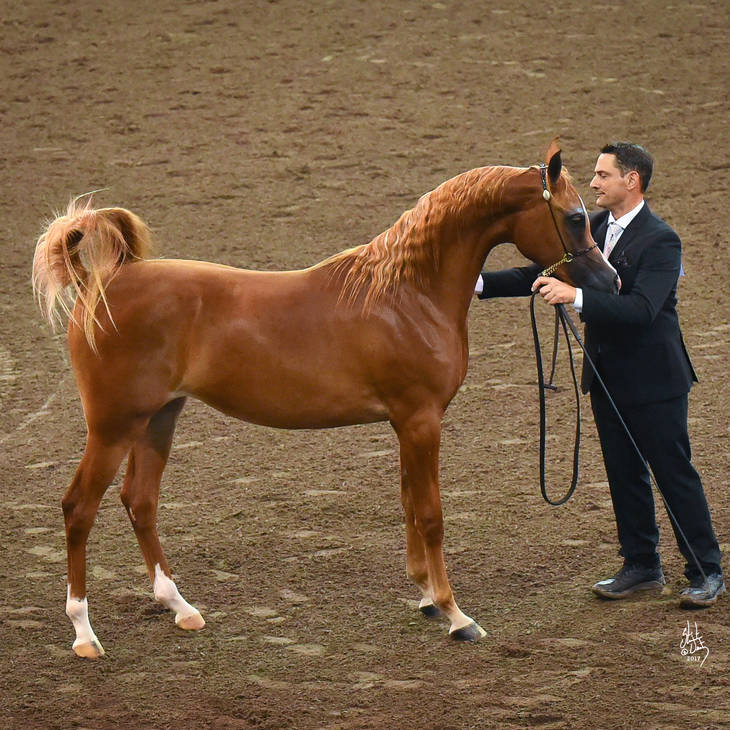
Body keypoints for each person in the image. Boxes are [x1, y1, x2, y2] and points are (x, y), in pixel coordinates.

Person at [475, 142, 724, 607]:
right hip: (606, 376)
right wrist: (479, 283)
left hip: (655, 380)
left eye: (603, 175)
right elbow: (539, 272)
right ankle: (642, 565)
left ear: (632, 180)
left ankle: (706, 570)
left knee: (673, 475)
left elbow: (643, 309)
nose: (593, 183)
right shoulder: (592, 228)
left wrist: (575, 297)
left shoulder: (662, 240)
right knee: (624, 474)